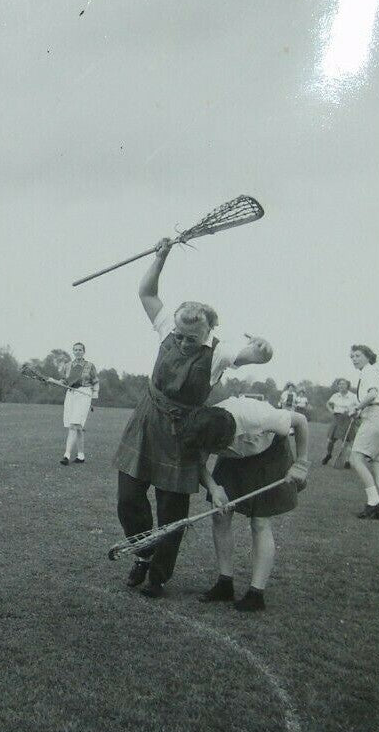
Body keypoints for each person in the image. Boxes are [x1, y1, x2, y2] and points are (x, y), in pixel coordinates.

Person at [113, 238, 273, 597]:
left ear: (208, 331)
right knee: (128, 498)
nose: (184, 343)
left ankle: (158, 575)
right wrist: (161, 257)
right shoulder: (167, 326)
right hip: (147, 421)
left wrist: (264, 348)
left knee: (172, 510)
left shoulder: (220, 351)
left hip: (183, 432)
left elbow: (256, 356)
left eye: (192, 339)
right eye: (181, 336)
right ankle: (143, 554)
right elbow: (146, 292)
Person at [185, 397, 309, 612]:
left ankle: (256, 594)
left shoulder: (260, 417)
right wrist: (214, 488)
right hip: (233, 456)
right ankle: (225, 583)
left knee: (259, 521)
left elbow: (301, 421)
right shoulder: (205, 426)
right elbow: (198, 462)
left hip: (269, 452)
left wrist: (301, 463)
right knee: (220, 514)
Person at [347, 344, 379, 520]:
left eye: (358, 355)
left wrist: (357, 408)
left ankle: (374, 502)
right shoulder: (372, 372)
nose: (354, 359)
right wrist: (360, 411)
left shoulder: (368, 372)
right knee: (377, 465)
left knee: (355, 459)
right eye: (352, 357)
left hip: (375, 417)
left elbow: (372, 394)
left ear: (367, 356)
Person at [59, 343, 100, 465]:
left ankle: (66, 455)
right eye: (75, 350)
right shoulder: (67, 366)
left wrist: (94, 394)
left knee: (74, 424)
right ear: (73, 351)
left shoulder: (90, 366)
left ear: (83, 351)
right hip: (71, 394)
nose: (78, 352)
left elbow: (96, 381)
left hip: (84, 394)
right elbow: (64, 381)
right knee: (77, 427)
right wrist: (54, 381)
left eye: (80, 350)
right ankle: (81, 456)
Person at [322, 377, 359, 465]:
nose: (341, 386)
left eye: (343, 384)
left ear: (347, 386)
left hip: (347, 419)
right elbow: (328, 403)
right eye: (339, 384)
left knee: (347, 442)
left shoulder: (353, 396)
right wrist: (331, 410)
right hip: (337, 418)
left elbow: (359, 407)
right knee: (330, 440)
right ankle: (328, 455)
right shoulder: (335, 395)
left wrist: (355, 414)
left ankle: (347, 461)